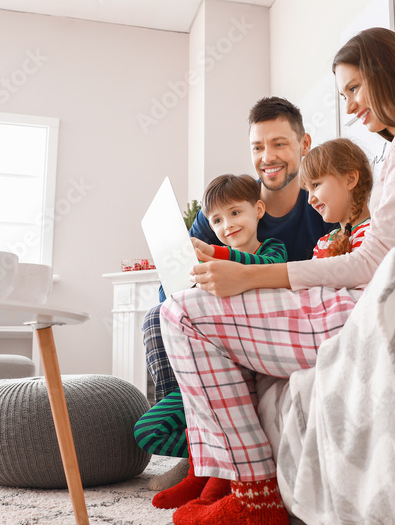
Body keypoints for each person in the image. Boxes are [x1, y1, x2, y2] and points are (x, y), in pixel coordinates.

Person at [159, 27, 395, 525]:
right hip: (379, 300)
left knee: (180, 314)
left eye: (355, 88)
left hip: (374, 309)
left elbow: (371, 262)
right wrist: (230, 265)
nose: (352, 106)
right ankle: (219, 477)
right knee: (188, 306)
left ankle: (253, 495)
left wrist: (250, 276)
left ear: (385, 75)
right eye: (345, 94)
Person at [142, 98, 336, 412]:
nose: (267, 157)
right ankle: (184, 419)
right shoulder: (224, 213)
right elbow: (171, 288)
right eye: (257, 147)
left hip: (288, 324)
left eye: (279, 144)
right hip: (227, 319)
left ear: (304, 145)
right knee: (156, 317)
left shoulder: (322, 207)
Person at [134, 174, 287, 508]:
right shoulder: (208, 266)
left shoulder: (273, 251)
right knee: (147, 431)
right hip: (205, 372)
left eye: (235, 213)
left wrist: (215, 255)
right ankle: (202, 460)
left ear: (258, 210)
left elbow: (267, 267)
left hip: (244, 369)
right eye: (217, 220)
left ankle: (215, 461)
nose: (227, 224)